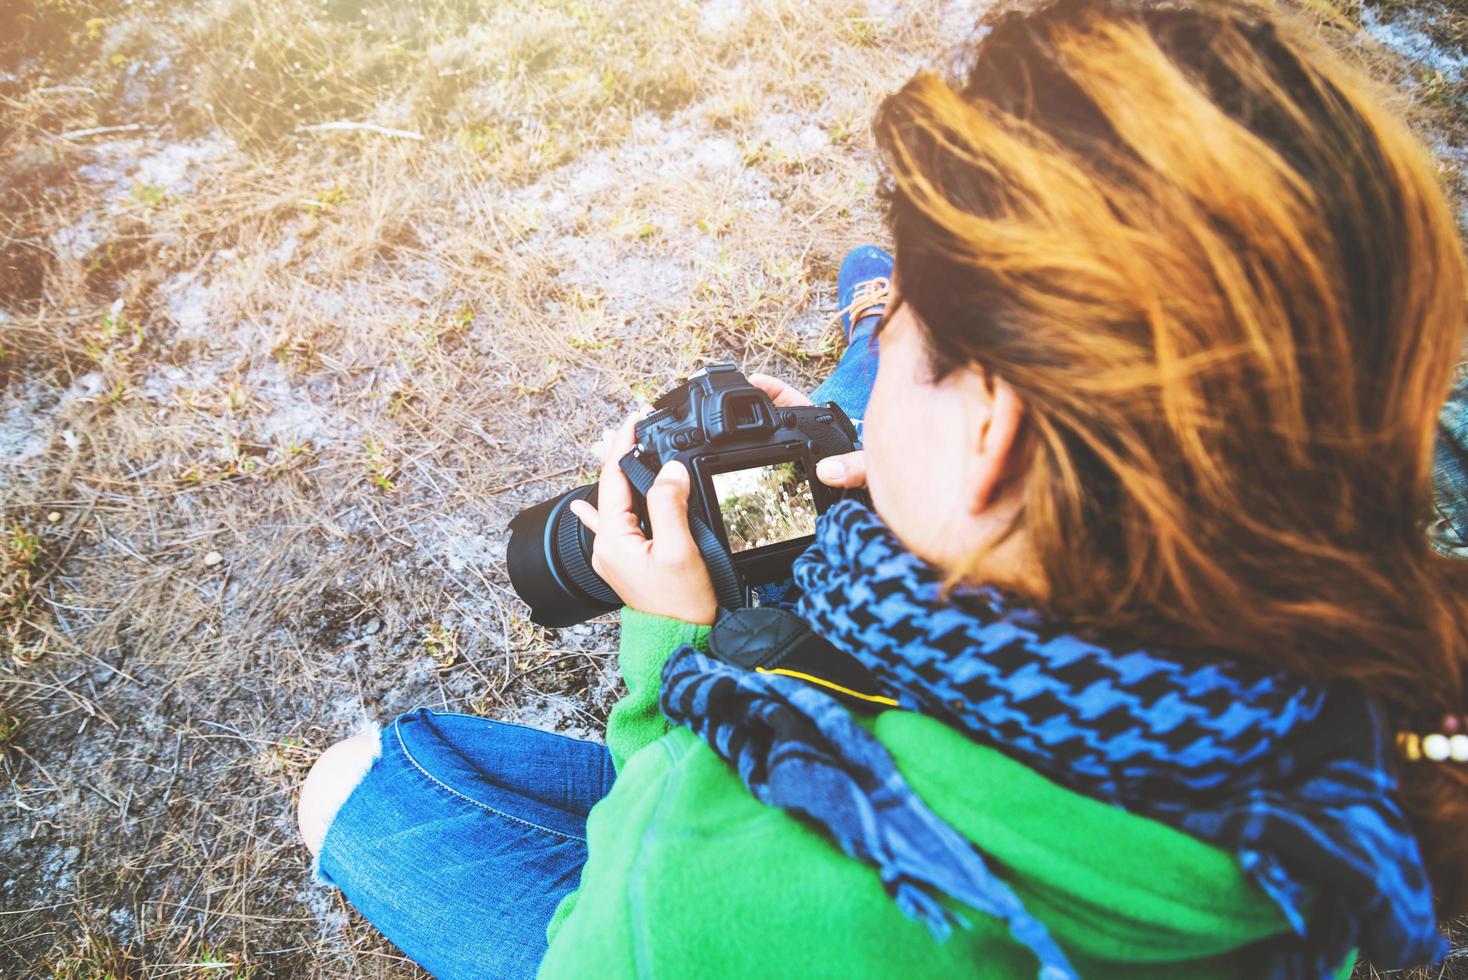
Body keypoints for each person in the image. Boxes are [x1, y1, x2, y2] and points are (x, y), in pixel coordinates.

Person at [296, 0, 1468, 976]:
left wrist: (677, 651)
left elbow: (620, 918)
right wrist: (911, 485)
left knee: (353, 783)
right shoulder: (1359, 719)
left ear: (993, 436)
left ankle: (872, 303)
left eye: (917, 325)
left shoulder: (708, 882)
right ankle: (879, 303)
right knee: (846, 408)